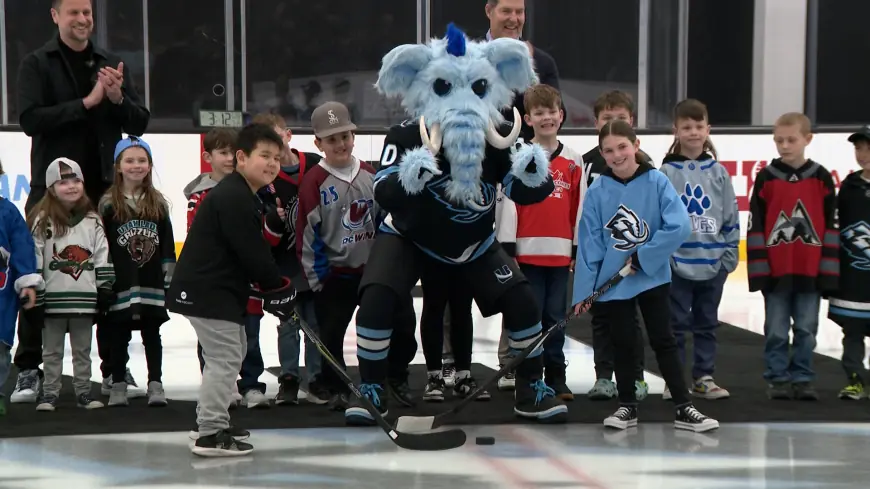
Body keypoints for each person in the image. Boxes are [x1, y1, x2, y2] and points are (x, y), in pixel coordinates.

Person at [346, 25, 566, 426]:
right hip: (410, 236)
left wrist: (537, 173)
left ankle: (531, 387)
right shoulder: (406, 133)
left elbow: (526, 190)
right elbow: (383, 191)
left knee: (523, 302)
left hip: (473, 241)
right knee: (376, 296)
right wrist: (413, 173)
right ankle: (372, 387)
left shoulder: (497, 133)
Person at [11, 0, 149, 403]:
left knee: (107, 280)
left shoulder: (110, 62)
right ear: (56, 16)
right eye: (74, 12)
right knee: (37, 274)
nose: (83, 19)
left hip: (105, 190)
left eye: (87, 12)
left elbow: (139, 122)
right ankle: (30, 370)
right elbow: (30, 121)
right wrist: (88, 103)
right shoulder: (36, 63)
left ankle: (114, 369)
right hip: (50, 191)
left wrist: (118, 97)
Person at [573, 120, 718, 433]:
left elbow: (678, 225)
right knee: (624, 343)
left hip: (651, 277)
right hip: (615, 281)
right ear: (602, 154)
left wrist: (646, 255)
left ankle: (683, 406)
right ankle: (627, 406)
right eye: (609, 150)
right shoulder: (598, 190)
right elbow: (589, 243)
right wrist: (584, 292)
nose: (617, 155)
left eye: (622, 147)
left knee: (663, 339)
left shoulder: (656, 181)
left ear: (636, 145)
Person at [167, 123, 297, 457]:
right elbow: (251, 251)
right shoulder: (234, 196)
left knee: (232, 352)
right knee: (225, 358)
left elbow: (251, 251)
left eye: (276, 158)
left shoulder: (244, 195)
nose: (271, 164)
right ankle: (210, 432)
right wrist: (277, 286)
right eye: (263, 156)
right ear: (241, 157)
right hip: (208, 291)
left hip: (216, 290)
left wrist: (275, 287)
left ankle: (211, 422)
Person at [495, 84, 583, 401]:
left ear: (561, 115)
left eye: (552, 112)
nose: (547, 118)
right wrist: (509, 249)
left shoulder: (574, 161)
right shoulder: (519, 157)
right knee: (527, 318)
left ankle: (557, 376)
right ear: (528, 119)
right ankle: (527, 376)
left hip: (560, 257)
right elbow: (508, 205)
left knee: (555, 318)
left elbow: (579, 207)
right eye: (539, 113)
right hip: (527, 255)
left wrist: (576, 248)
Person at [748, 112, 839, 401]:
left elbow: (831, 226)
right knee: (775, 331)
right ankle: (776, 378)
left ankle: (802, 377)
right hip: (776, 273)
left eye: (791, 140)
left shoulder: (822, 178)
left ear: (807, 139)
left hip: (810, 272)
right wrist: (760, 271)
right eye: (778, 140)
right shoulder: (766, 178)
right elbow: (756, 226)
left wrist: (828, 271)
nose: (784, 146)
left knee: (806, 329)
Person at [660, 99, 738, 401]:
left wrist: (728, 256)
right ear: (676, 130)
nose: (693, 132)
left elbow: (730, 215)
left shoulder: (718, 172)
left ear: (708, 129)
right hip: (678, 265)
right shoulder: (666, 172)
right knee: (676, 325)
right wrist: (665, 256)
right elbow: (659, 218)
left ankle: (704, 376)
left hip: (712, 263)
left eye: (698, 126)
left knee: (706, 323)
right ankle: (675, 380)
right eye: (686, 127)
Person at [28, 158, 115, 412]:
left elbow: (101, 254)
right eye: (63, 182)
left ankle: (84, 392)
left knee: (82, 351)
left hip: (84, 299)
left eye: (76, 180)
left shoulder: (92, 220)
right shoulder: (42, 220)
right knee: (52, 352)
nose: (71, 186)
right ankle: (50, 393)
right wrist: (35, 289)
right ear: (51, 188)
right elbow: (35, 255)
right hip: (53, 298)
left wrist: (105, 286)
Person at [255, 113, 330, 406]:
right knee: (288, 324)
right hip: (283, 264)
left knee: (315, 324)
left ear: (288, 134)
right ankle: (288, 379)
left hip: (315, 261)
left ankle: (315, 379)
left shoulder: (314, 164)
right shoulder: (265, 179)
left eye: (277, 137)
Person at [582, 90, 649, 401]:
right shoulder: (586, 164)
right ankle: (604, 377)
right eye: (607, 119)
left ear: (632, 122)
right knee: (601, 317)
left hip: (632, 257)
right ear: (596, 123)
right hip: (600, 256)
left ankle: (636, 378)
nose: (614, 123)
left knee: (630, 319)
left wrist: (643, 252)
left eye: (621, 119)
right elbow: (581, 212)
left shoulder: (645, 164)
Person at [98, 137, 175, 407]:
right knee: (119, 333)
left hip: (151, 280)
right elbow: (102, 245)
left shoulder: (158, 203)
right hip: (121, 280)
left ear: (150, 165)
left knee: (152, 333)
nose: (136, 165)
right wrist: (104, 280)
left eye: (142, 160)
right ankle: (117, 383)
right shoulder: (108, 204)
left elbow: (167, 245)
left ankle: (156, 383)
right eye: (129, 160)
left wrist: (169, 276)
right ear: (118, 166)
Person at [829, 125, 870, 400]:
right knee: (853, 330)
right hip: (854, 276)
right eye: (858, 147)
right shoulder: (849, 186)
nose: (863, 153)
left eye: (868, 147)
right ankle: (855, 379)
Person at [0, 159, 42, 416]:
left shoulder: (8, 212)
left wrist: (27, 282)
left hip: (2, 297)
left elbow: (23, 249)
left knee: (0, 349)